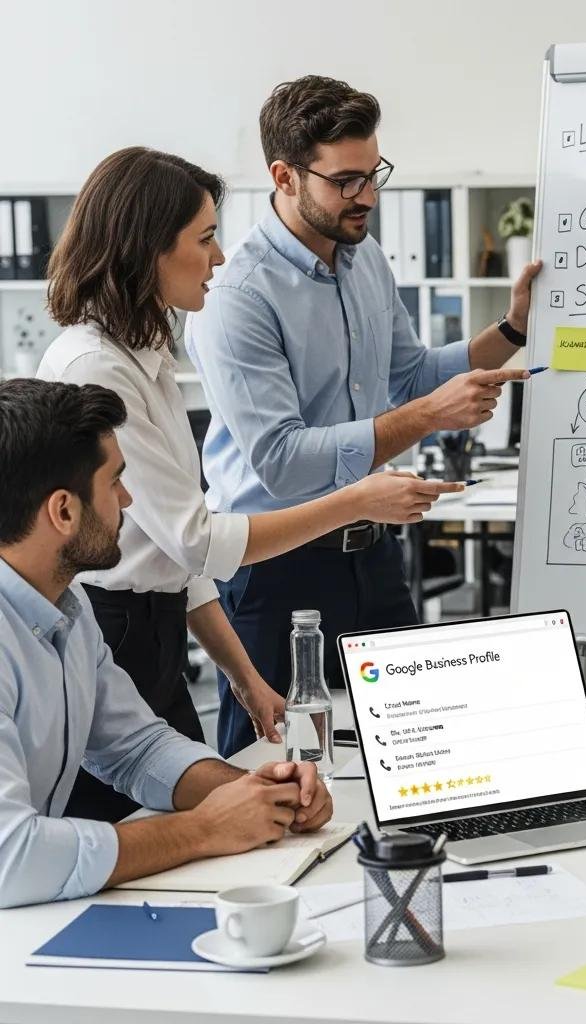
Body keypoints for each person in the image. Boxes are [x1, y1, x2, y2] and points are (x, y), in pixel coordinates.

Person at [37, 147, 462, 823]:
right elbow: (198, 541)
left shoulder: (147, 351)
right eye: (204, 239)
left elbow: (181, 554)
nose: (219, 258)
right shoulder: (97, 365)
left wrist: (242, 677)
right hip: (117, 629)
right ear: (146, 249)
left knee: (215, 820)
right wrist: (355, 499)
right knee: (134, 845)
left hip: (159, 628)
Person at [185, 76, 542, 756]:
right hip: (279, 569)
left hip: (374, 556)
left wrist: (512, 328)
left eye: (373, 173)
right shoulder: (239, 295)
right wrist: (427, 417)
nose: (368, 197)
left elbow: (409, 375)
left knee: (412, 751)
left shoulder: (365, 257)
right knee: (275, 772)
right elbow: (284, 462)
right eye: (345, 181)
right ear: (285, 176)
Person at [0, 378, 333, 909]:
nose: (129, 500)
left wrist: (257, 794)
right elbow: (10, 856)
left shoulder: (67, 605)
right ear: (63, 511)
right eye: (115, 483)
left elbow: (136, 747)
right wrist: (203, 830)